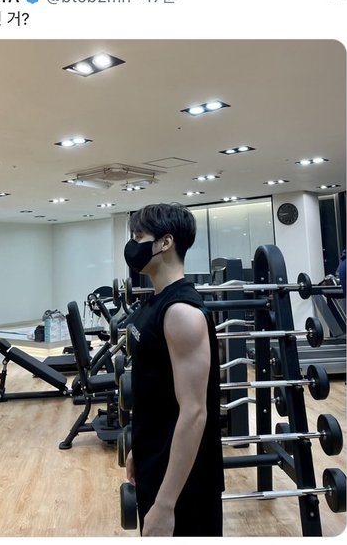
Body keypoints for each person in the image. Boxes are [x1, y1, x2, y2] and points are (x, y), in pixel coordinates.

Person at [123, 203, 224, 537]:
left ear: (165, 243)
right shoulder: (156, 302)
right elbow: (158, 390)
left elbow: (194, 413)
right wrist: (142, 448)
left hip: (184, 486)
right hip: (157, 462)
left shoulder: (182, 312)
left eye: (139, 237)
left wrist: (166, 504)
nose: (133, 245)